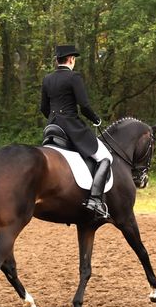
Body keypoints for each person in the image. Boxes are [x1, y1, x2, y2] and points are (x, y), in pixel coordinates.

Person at [40, 45, 113, 218]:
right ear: (71, 59)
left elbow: (43, 107)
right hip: (71, 127)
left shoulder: (47, 79)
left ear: (57, 61)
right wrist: (96, 120)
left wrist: (53, 118)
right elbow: (84, 105)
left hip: (52, 127)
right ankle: (95, 200)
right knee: (105, 157)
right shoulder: (74, 77)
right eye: (74, 59)